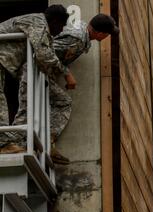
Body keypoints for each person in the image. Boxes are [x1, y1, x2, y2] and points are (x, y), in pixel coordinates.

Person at [2, 13, 119, 164]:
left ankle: (46, 141)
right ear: (100, 34)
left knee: (60, 101)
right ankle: (13, 144)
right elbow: (44, 51)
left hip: (40, 71)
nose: (107, 37)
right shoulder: (76, 39)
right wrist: (66, 73)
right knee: (27, 108)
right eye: (108, 34)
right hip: (31, 70)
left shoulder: (80, 30)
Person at [0, 5, 74, 154]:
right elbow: (44, 54)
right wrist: (66, 73)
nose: (61, 31)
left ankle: (6, 143)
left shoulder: (37, 23)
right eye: (61, 26)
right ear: (54, 21)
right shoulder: (38, 22)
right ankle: (2, 145)